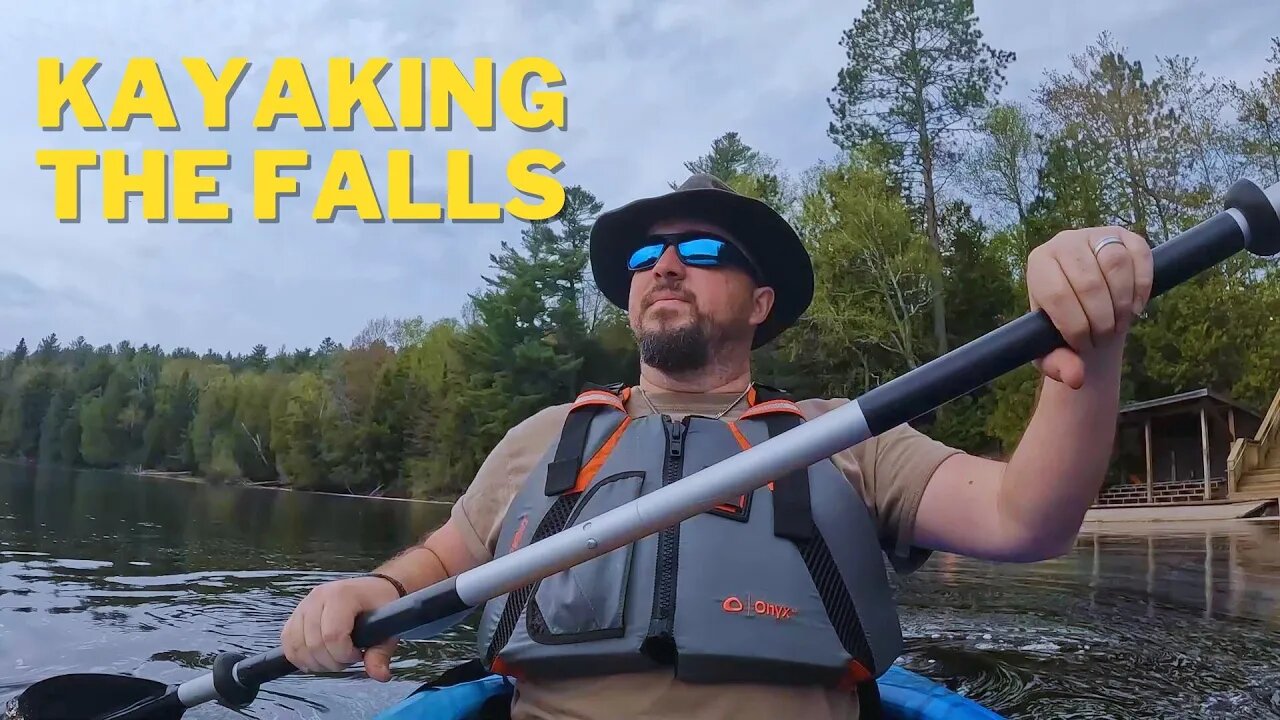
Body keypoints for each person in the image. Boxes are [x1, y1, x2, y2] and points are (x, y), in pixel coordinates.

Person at [281, 173, 1153, 719]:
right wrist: (374, 585)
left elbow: (1027, 519)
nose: (665, 265)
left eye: (700, 250)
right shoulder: (546, 437)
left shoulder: (841, 436)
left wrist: (1090, 338)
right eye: (647, 258)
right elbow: (448, 557)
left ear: (761, 303)